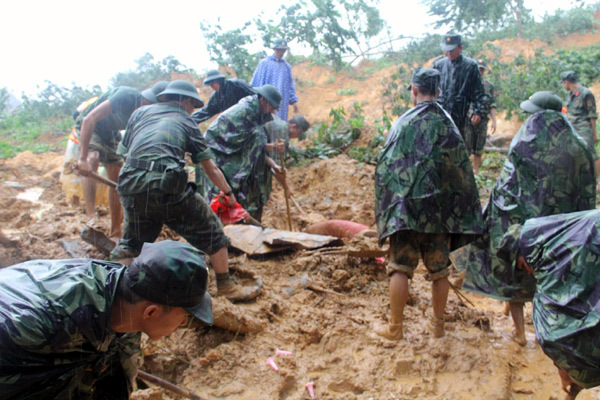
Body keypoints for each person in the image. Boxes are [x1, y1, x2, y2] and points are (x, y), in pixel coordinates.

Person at [459, 91, 596, 346]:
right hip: (563, 232)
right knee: (555, 280)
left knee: (515, 277)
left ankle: (520, 332)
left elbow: (508, 193)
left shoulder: (524, 144)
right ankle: (553, 333)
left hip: (528, 230)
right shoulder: (579, 147)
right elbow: (588, 197)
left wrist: (513, 238)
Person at [0, 240, 213, 400]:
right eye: (184, 318)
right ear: (151, 312)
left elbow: (117, 382)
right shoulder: (41, 326)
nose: (183, 325)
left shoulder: (125, 303)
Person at [109, 80, 260, 302]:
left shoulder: (139, 114)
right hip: (165, 187)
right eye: (193, 106)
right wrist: (228, 193)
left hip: (130, 185)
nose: (192, 110)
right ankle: (226, 286)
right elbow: (210, 168)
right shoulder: (187, 121)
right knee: (214, 233)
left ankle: (112, 293)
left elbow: (125, 155)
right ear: (186, 101)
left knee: (131, 244)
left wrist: (136, 188)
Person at [373, 68, 484, 341]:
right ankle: (438, 326)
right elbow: (461, 172)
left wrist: (392, 206)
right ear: (439, 91)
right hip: (440, 213)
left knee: (400, 267)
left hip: (406, 212)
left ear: (414, 90)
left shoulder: (402, 124)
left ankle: (395, 328)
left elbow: (386, 167)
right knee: (439, 270)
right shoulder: (449, 125)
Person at [496, 210, 600, 398]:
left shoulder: (550, 256)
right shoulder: (549, 233)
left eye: (522, 266)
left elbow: (556, 331)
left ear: (523, 253)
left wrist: (565, 369)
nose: (529, 272)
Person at [76, 85, 158, 238]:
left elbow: (134, 147)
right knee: (92, 158)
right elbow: (88, 119)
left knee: (117, 178)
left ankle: (115, 231)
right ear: (145, 99)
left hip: (111, 133)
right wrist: (82, 159)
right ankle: (92, 217)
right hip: (92, 126)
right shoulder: (126, 95)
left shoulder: (145, 117)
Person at [204, 84, 284, 221]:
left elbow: (253, 145)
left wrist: (273, 155)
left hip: (230, 151)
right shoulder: (246, 113)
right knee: (221, 199)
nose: (273, 112)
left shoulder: (256, 113)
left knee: (236, 196)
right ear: (263, 100)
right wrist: (271, 148)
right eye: (272, 107)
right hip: (218, 154)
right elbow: (252, 145)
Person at [433, 33, 485, 139]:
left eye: (452, 50)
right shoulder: (438, 65)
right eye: (447, 50)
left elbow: (478, 91)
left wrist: (478, 111)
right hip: (441, 111)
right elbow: (431, 89)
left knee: (459, 141)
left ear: (460, 47)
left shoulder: (471, 66)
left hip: (462, 113)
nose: (449, 53)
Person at [561, 70, 600, 190]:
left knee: (591, 154)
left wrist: (594, 134)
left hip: (583, 128)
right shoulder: (570, 95)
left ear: (567, 82)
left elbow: (592, 115)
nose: (563, 86)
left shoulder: (586, 93)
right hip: (572, 129)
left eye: (563, 83)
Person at [251, 39, 299, 121]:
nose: (282, 52)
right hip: (266, 101)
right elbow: (256, 83)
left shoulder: (286, 66)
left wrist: (293, 101)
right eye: (280, 50)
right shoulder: (264, 63)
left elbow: (290, 85)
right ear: (275, 49)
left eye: (283, 50)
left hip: (282, 103)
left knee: (280, 123)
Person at [464, 59, 497, 173]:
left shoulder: (489, 86)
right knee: (467, 144)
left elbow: (492, 104)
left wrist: (494, 121)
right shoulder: (467, 84)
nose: (480, 72)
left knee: (479, 145)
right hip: (469, 120)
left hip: (483, 120)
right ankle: (466, 170)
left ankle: (476, 170)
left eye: (482, 69)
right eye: (478, 69)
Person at [191, 70, 256, 124]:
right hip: (235, 123)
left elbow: (256, 95)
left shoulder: (236, 84)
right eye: (210, 84)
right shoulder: (216, 96)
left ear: (219, 80)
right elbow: (207, 111)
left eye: (213, 83)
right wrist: (190, 120)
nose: (212, 86)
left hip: (251, 117)